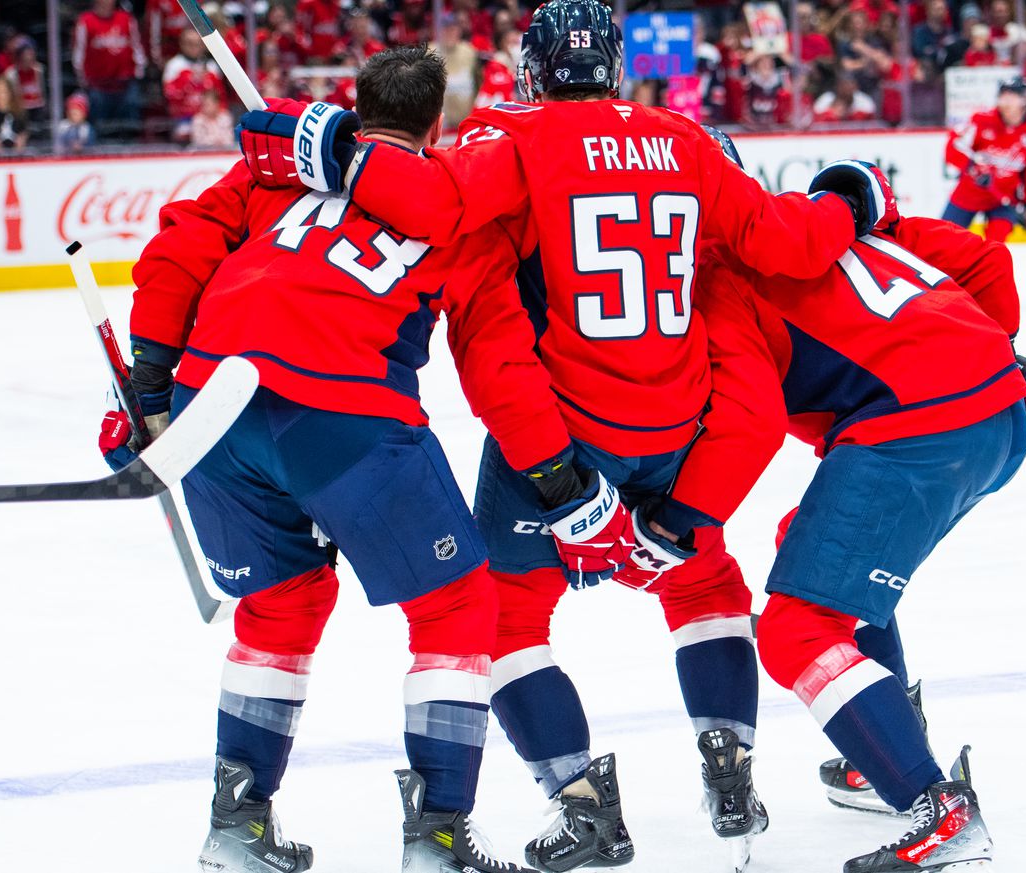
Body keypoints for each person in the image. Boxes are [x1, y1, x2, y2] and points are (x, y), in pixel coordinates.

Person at [236, 3, 895, 869]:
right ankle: (730, 766)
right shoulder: (688, 140)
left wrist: (321, 142)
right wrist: (852, 198)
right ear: (614, 65)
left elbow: (432, 203)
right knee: (703, 585)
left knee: (507, 618)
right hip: (678, 429)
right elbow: (786, 241)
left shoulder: (509, 137)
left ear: (535, 68)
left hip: (561, 433)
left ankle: (581, 800)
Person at [105, 46, 581, 873]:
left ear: (354, 109)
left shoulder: (275, 170)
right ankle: (437, 835)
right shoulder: (458, 201)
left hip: (212, 395)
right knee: (459, 609)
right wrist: (554, 472)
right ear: (440, 122)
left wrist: (149, 388)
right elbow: (498, 360)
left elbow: (180, 248)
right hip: (342, 405)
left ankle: (238, 822)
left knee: (279, 606)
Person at [691, 131, 1026, 873]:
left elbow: (750, 417)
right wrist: (1000, 368)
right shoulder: (825, 217)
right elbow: (985, 259)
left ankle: (934, 803)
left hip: (914, 430)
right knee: (814, 550)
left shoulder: (718, 274)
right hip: (984, 413)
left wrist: (680, 512)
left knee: (795, 627)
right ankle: (880, 745)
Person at [942, 76, 1026, 242]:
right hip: (971, 191)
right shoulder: (982, 120)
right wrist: (973, 168)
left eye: (1012, 96)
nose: (1006, 101)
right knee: (945, 238)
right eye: (1003, 96)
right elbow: (953, 148)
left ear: (1024, 100)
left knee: (995, 246)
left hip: (1003, 198)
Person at [72, 0, 144, 134]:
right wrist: (83, 79)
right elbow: (79, 54)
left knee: (130, 126)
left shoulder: (126, 19)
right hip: (98, 84)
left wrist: (138, 74)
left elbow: (137, 48)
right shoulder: (86, 21)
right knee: (100, 127)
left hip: (125, 82)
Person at [163, 28, 223, 143]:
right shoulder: (174, 65)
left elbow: (219, 95)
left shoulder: (211, 66)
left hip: (209, 117)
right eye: (189, 43)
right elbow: (169, 94)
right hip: (183, 118)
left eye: (197, 43)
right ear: (182, 44)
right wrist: (189, 80)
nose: (194, 47)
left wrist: (205, 80)